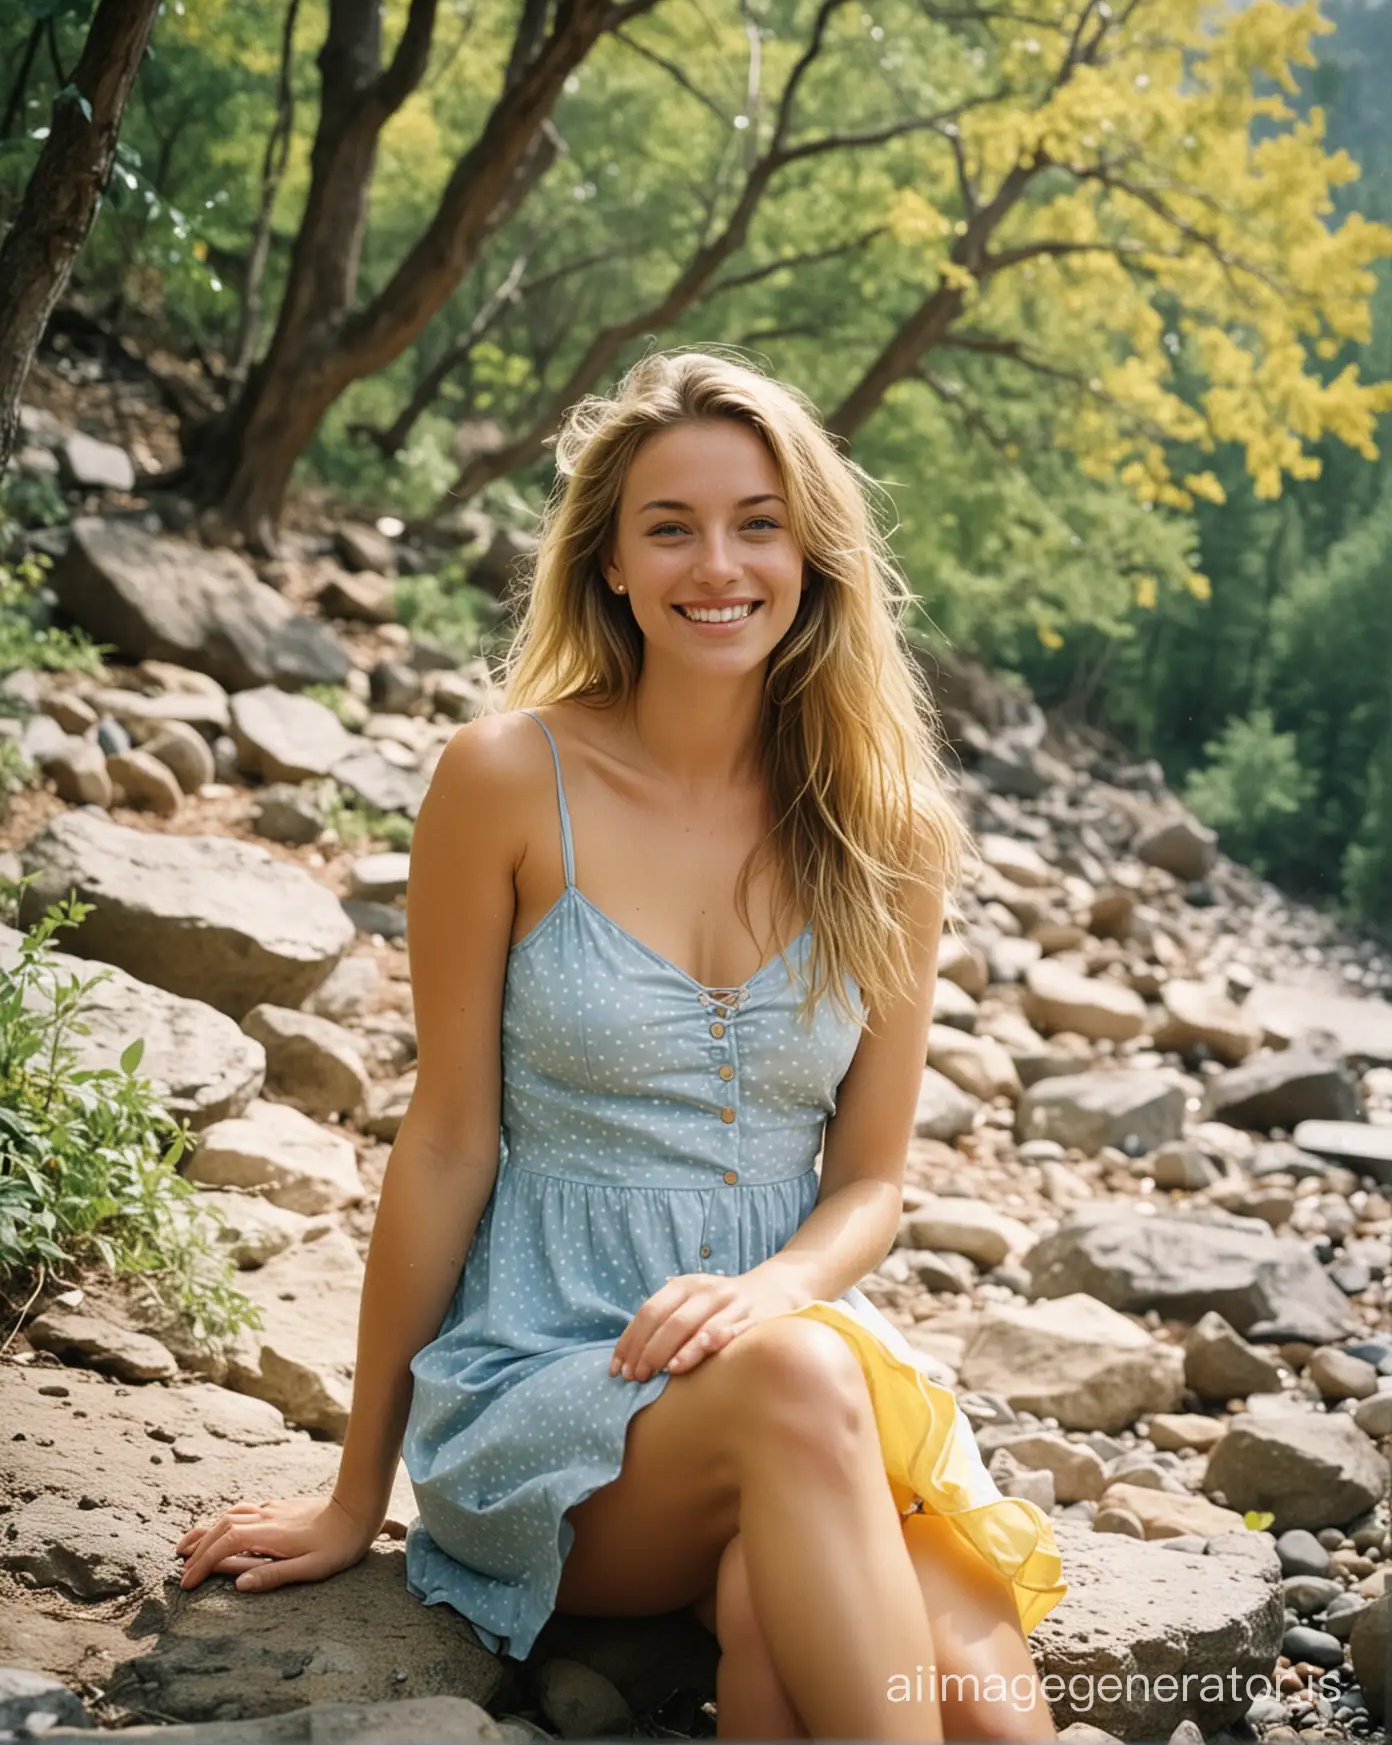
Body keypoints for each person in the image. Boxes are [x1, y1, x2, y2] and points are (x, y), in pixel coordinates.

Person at [176, 349, 1068, 1740]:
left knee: (968, 1710)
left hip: (803, 1367)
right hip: (550, 1390)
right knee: (804, 1384)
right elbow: (450, 1139)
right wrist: (359, 1494)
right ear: (608, 562)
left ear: (812, 550)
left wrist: (772, 1289)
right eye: (672, 526)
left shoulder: (889, 830)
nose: (720, 563)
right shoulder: (507, 780)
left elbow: (875, 1180)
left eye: (758, 521)